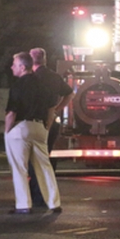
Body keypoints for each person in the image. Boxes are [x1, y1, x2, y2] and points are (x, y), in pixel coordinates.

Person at [4, 52, 62, 214]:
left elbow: (11, 112)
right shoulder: (43, 85)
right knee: (45, 166)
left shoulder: (18, 85)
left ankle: (23, 205)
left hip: (21, 127)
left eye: (14, 65)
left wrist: (7, 131)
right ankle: (54, 202)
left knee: (19, 168)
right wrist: (46, 127)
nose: (12, 67)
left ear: (22, 67)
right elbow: (51, 109)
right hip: (40, 127)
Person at [27, 47, 73, 208]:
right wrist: (57, 109)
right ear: (45, 60)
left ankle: (36, 195)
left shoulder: (31, 77)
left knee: (34, 160)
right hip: (52, 121)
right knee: (47, 157)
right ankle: (48, 194)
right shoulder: (54, 77)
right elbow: (69, 93)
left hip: (36, 121)